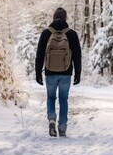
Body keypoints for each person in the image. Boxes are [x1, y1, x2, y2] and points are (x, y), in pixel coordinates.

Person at [35, 7, 82, 137]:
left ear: (53, 17)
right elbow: (77, 56)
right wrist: (78, 74)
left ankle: (51, 119)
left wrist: (38, 73)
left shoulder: (46, 33)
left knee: (51, 97)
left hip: (50, 72)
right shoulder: (71, 34)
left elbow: (39, 55)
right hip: (66, 73)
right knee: (63, 99)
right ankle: (62, 127)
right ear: (65, 18)